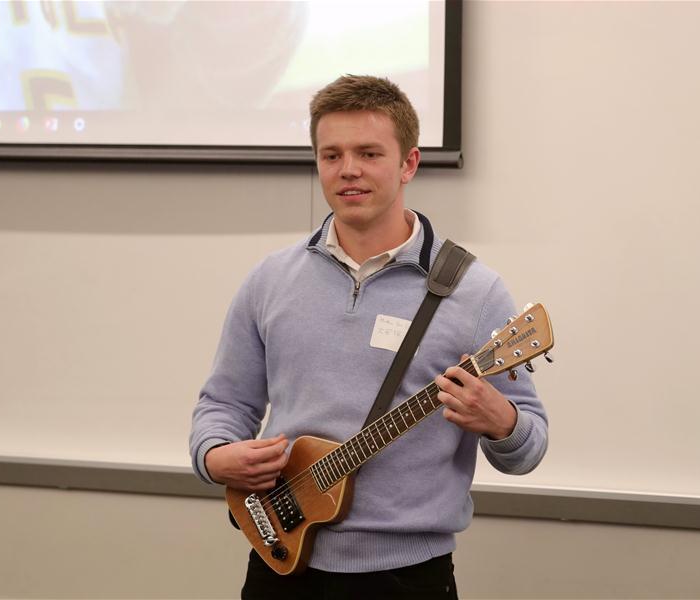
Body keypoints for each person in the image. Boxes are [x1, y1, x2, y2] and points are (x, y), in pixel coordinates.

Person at [190, 74, 548, 599]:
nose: (348, 170)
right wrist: (214, 455)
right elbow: (223, 401)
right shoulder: (270, 280)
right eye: (331, 155)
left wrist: (503, 423)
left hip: (408, 579)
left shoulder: (475, 291)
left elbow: (528, 448)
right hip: (280, 564)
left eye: (368, 153)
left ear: (409, 163)